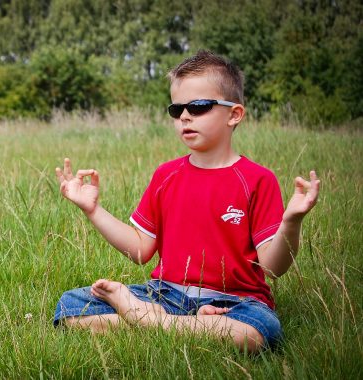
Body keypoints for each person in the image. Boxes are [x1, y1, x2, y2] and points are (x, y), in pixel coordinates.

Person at [53, 50, 320, 352]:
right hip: (165, 295)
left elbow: (272, 268)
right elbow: (141, 249)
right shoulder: (166, 175)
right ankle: (175, 323)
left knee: (258, 332)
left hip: (235, 302)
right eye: (177, 108)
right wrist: (93, 210)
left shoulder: (257, 179)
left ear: (234, 114)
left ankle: (147, 321)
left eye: (199, 106)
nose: (185, 116)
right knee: (71, 307)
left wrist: (292, 222)